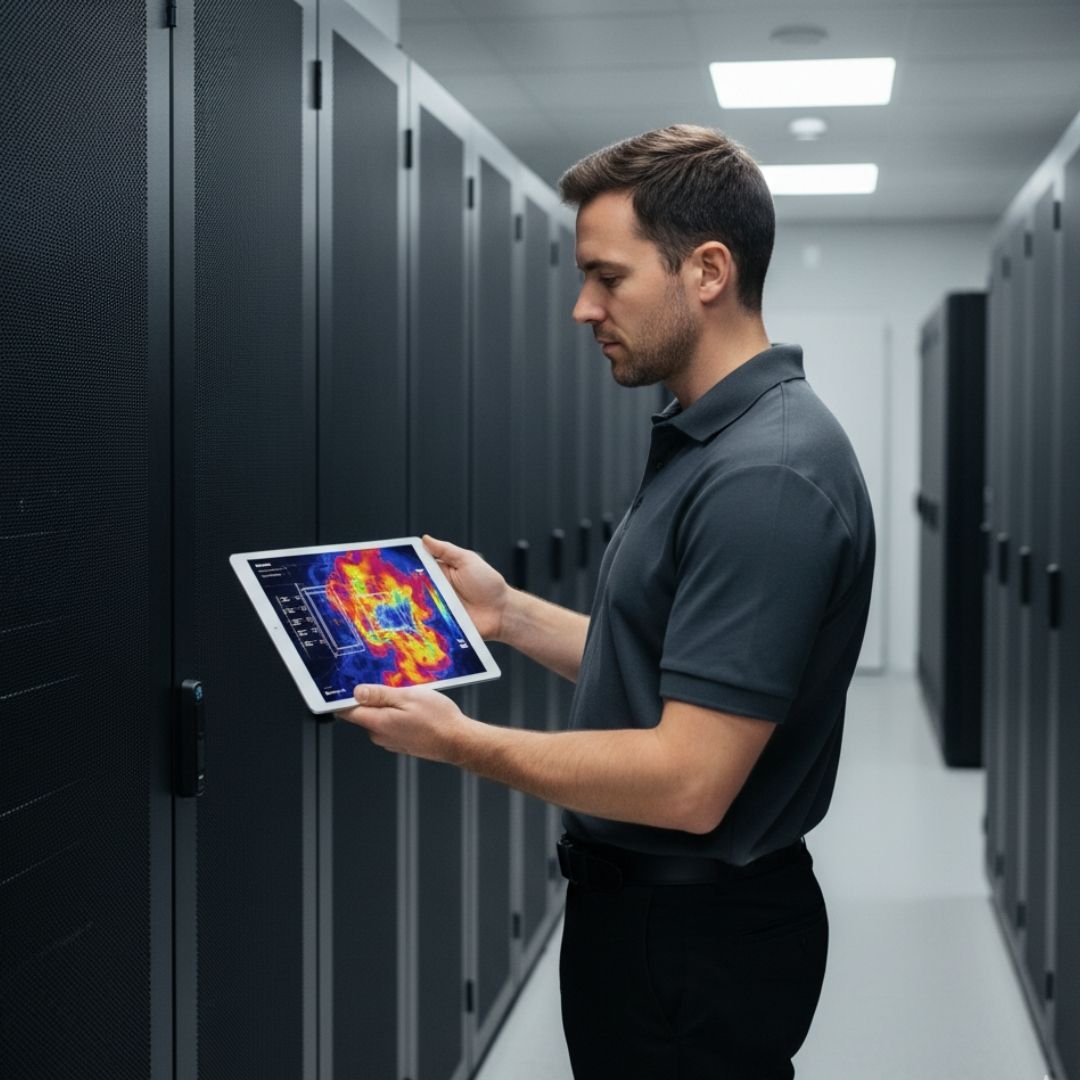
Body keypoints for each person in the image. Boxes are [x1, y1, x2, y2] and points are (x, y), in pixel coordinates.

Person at [338, 124, 875, 1079]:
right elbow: (672, 667)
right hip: (662, 920)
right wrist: (507, 613)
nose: (584, 307)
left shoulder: (768, 475)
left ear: (707, 270)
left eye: (609, 277)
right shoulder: (717, 440)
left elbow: (687, 779)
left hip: (690, 936)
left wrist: (460, 740)